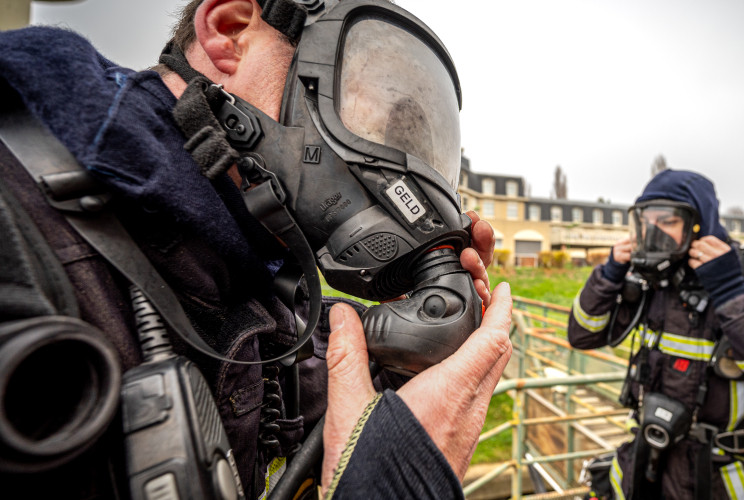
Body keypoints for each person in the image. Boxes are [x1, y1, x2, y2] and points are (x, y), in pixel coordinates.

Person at [0, 0, 512, 498]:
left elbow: (319, 371)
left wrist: (410, 353)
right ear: (230, 32)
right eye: (369, 104)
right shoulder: (16, 208)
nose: (389, 153)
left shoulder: (255, 284)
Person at [568, 169, 744, 500]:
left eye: (667, 221)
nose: (652, 232)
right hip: (647, 469)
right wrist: (608, 275)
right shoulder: (653, 280)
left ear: (701, 224)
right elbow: (582, 335)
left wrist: (732, 294)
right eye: (645, 221)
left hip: (729, 480)